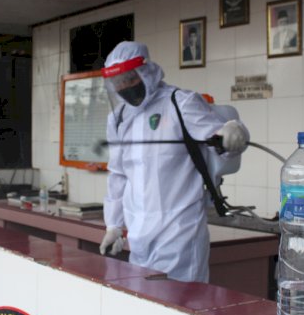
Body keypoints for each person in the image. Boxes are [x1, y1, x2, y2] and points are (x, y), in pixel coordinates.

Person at [98, 41, 249, 282]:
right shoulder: (118, 119)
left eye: (129, 78)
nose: (124, 87)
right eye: (118, 82)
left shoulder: (181, 103)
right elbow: (118, 174)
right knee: (146, 307)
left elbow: (222, 143)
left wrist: (234, 132)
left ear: (145, 72)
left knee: (181, 308)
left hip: (180, 236)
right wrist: (114, 226)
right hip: (138, 238)